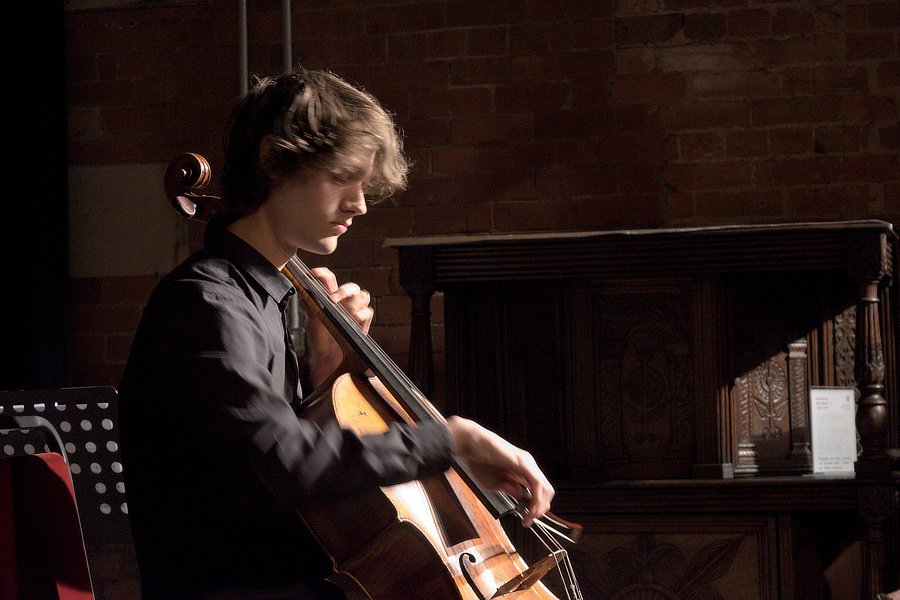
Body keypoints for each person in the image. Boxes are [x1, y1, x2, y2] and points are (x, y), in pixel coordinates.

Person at [118, 66, 555, 600]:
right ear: (274, 161)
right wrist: (451, 439)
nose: (359, 204)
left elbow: (285, 468)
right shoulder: (207, 301)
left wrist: (328, 377)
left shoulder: (263, 302)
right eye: (341, 178)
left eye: (364, 184)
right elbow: (285, 463)